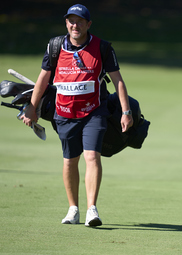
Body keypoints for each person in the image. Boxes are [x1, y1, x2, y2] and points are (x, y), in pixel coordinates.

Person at [22, 4, 133, 227]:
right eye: (71, 21)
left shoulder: (102, 47)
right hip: (64, 113)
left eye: (80, 21)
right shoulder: (55, 47)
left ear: (88, 24)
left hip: (95, 111)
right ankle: (73, 209)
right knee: (70, 160)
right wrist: (31, 107)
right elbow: (43, 79)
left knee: (92, 156)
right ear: (66, 23)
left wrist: (126, 111)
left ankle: (92, 209)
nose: (75, 25)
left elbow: (118, 80)